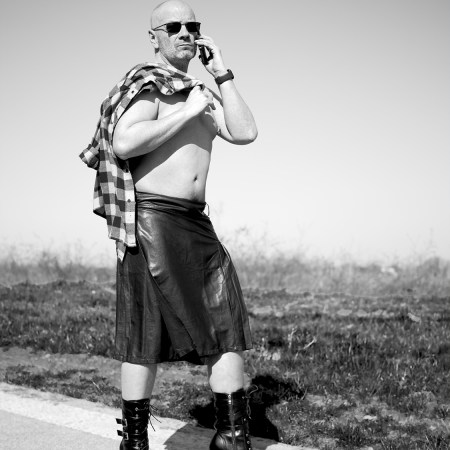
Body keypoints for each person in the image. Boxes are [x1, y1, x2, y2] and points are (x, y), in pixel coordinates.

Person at [80, 1, 257, 449]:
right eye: (173, 26)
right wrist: (187, 111)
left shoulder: (200, 91)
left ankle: (232, 436)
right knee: (145, 333)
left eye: (192, 25)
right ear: (154, 37)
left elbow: (244, 132)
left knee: (225, 323)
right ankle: (135, 440)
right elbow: (124, 141)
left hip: (196, 222)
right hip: (152, 221)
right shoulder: (150, 86)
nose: (184, 33)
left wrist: (222, 76)